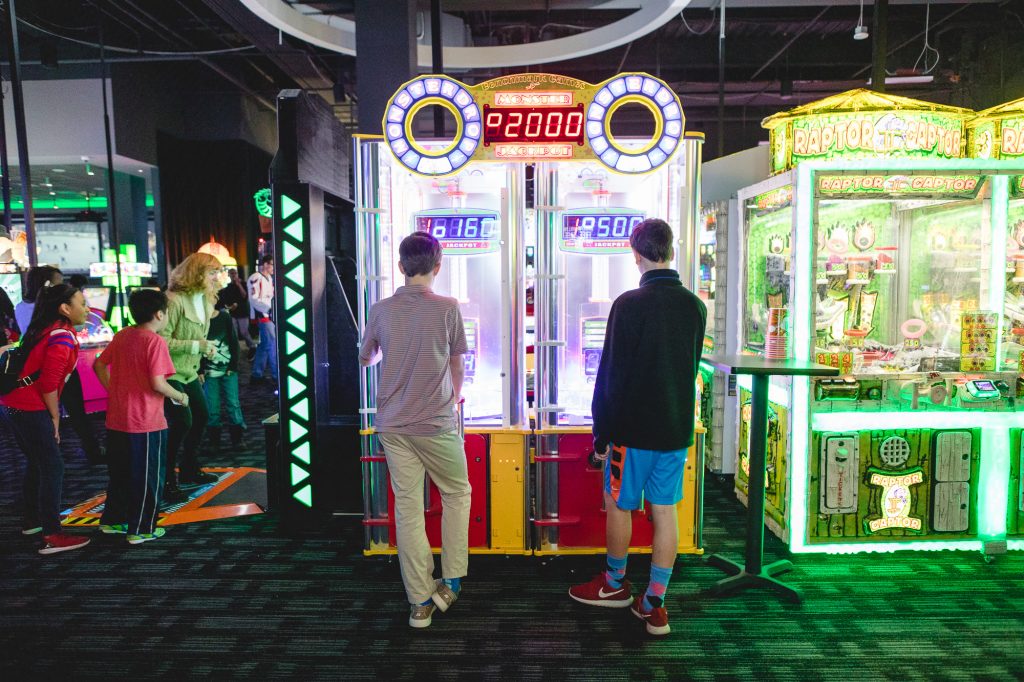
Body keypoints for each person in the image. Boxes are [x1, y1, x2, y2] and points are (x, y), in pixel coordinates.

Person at [568, 218, 707, 637]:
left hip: (632, 431)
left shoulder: (628, 304)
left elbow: (610, 375)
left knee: (619, 506)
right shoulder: (695, 305)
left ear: (636, 254)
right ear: (671, 249)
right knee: (665, 512)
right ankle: (654, 603)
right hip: (676, 426)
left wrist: (600, 437)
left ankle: (613, 586)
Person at [359, 232, 470, 629]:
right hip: (436, 422)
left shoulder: (380, 309)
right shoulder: (448, 308)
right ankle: (451, 580)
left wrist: (385, 348)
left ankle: (419, 601)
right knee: (457, 492)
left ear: (402, 267)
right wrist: (453, 399)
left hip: (392, 423)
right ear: (437, 266)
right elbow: (458, 365)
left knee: (408, 508)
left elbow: (366, 357)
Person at [1, 284, 92, 555]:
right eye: (82, 303)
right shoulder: (62, 336)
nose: (86, 308)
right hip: (29, 407)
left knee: (38, 462)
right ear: (65, 308)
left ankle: (34, 521)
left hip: (13, 405)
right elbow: (49, 383)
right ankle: (52, 534)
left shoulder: (43, 329)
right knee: (53, 466)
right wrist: (54, 418)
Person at [93, 289, 184, 544]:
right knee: (148, 476)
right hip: (145, 421)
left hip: (117, 418)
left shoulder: (123, 335)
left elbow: (99, 364)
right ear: (159, 314)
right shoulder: (155, 341)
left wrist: (113, 389)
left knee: (120, 473)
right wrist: (180, 395)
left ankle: (113, 520)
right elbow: (158, 383)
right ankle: (142, 528)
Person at [160, 252, 222, 504]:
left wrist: (201, 357)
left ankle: (188, 467)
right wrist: (196, 346)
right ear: (196, 273)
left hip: (189, 371)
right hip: (168, 372)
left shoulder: (207, 299)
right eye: (212, 272)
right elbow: (160, 341)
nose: (217, 277)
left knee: (201, 416)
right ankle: (166, 479)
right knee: (182, 422)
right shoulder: (173, 300)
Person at [201, 303, 245, 451]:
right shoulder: (199, 320)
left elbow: (233, 341)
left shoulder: (224, 317)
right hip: (209, 372)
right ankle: (214, 442)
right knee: (212, 406)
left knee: (233, 404)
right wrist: (200, 369)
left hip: (228, 370)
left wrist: (233, 365)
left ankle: (237, 439)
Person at [248, 255, 277, 384]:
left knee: (265, 346)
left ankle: (257, 374)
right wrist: (268, 310)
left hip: (269, 316)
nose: (273, 268)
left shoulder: (269, 278)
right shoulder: (256, 278)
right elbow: (254, 299)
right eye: (272, 264)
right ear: (265, 264)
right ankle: (276, 375)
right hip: (264, 317)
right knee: (271, 345)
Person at [218, 268, 256, 358]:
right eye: (231, 273)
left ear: (237, 274)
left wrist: (239, 284)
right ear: (229, 275)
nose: (233, 275)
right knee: (233, 332)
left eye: (235, 273)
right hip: (233, 312)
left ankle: (252, 346)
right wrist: (230, 306)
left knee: (244, 332)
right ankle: (235, 350)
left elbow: (245, 296)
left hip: (242, 312)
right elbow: (225, 300)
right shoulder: (228, 287)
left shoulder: (243, 284)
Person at [15, 265, 62, 334]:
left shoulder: (20, 307)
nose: (62, 289)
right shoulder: (49, 308)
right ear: (47, 285)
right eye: (59, 286)